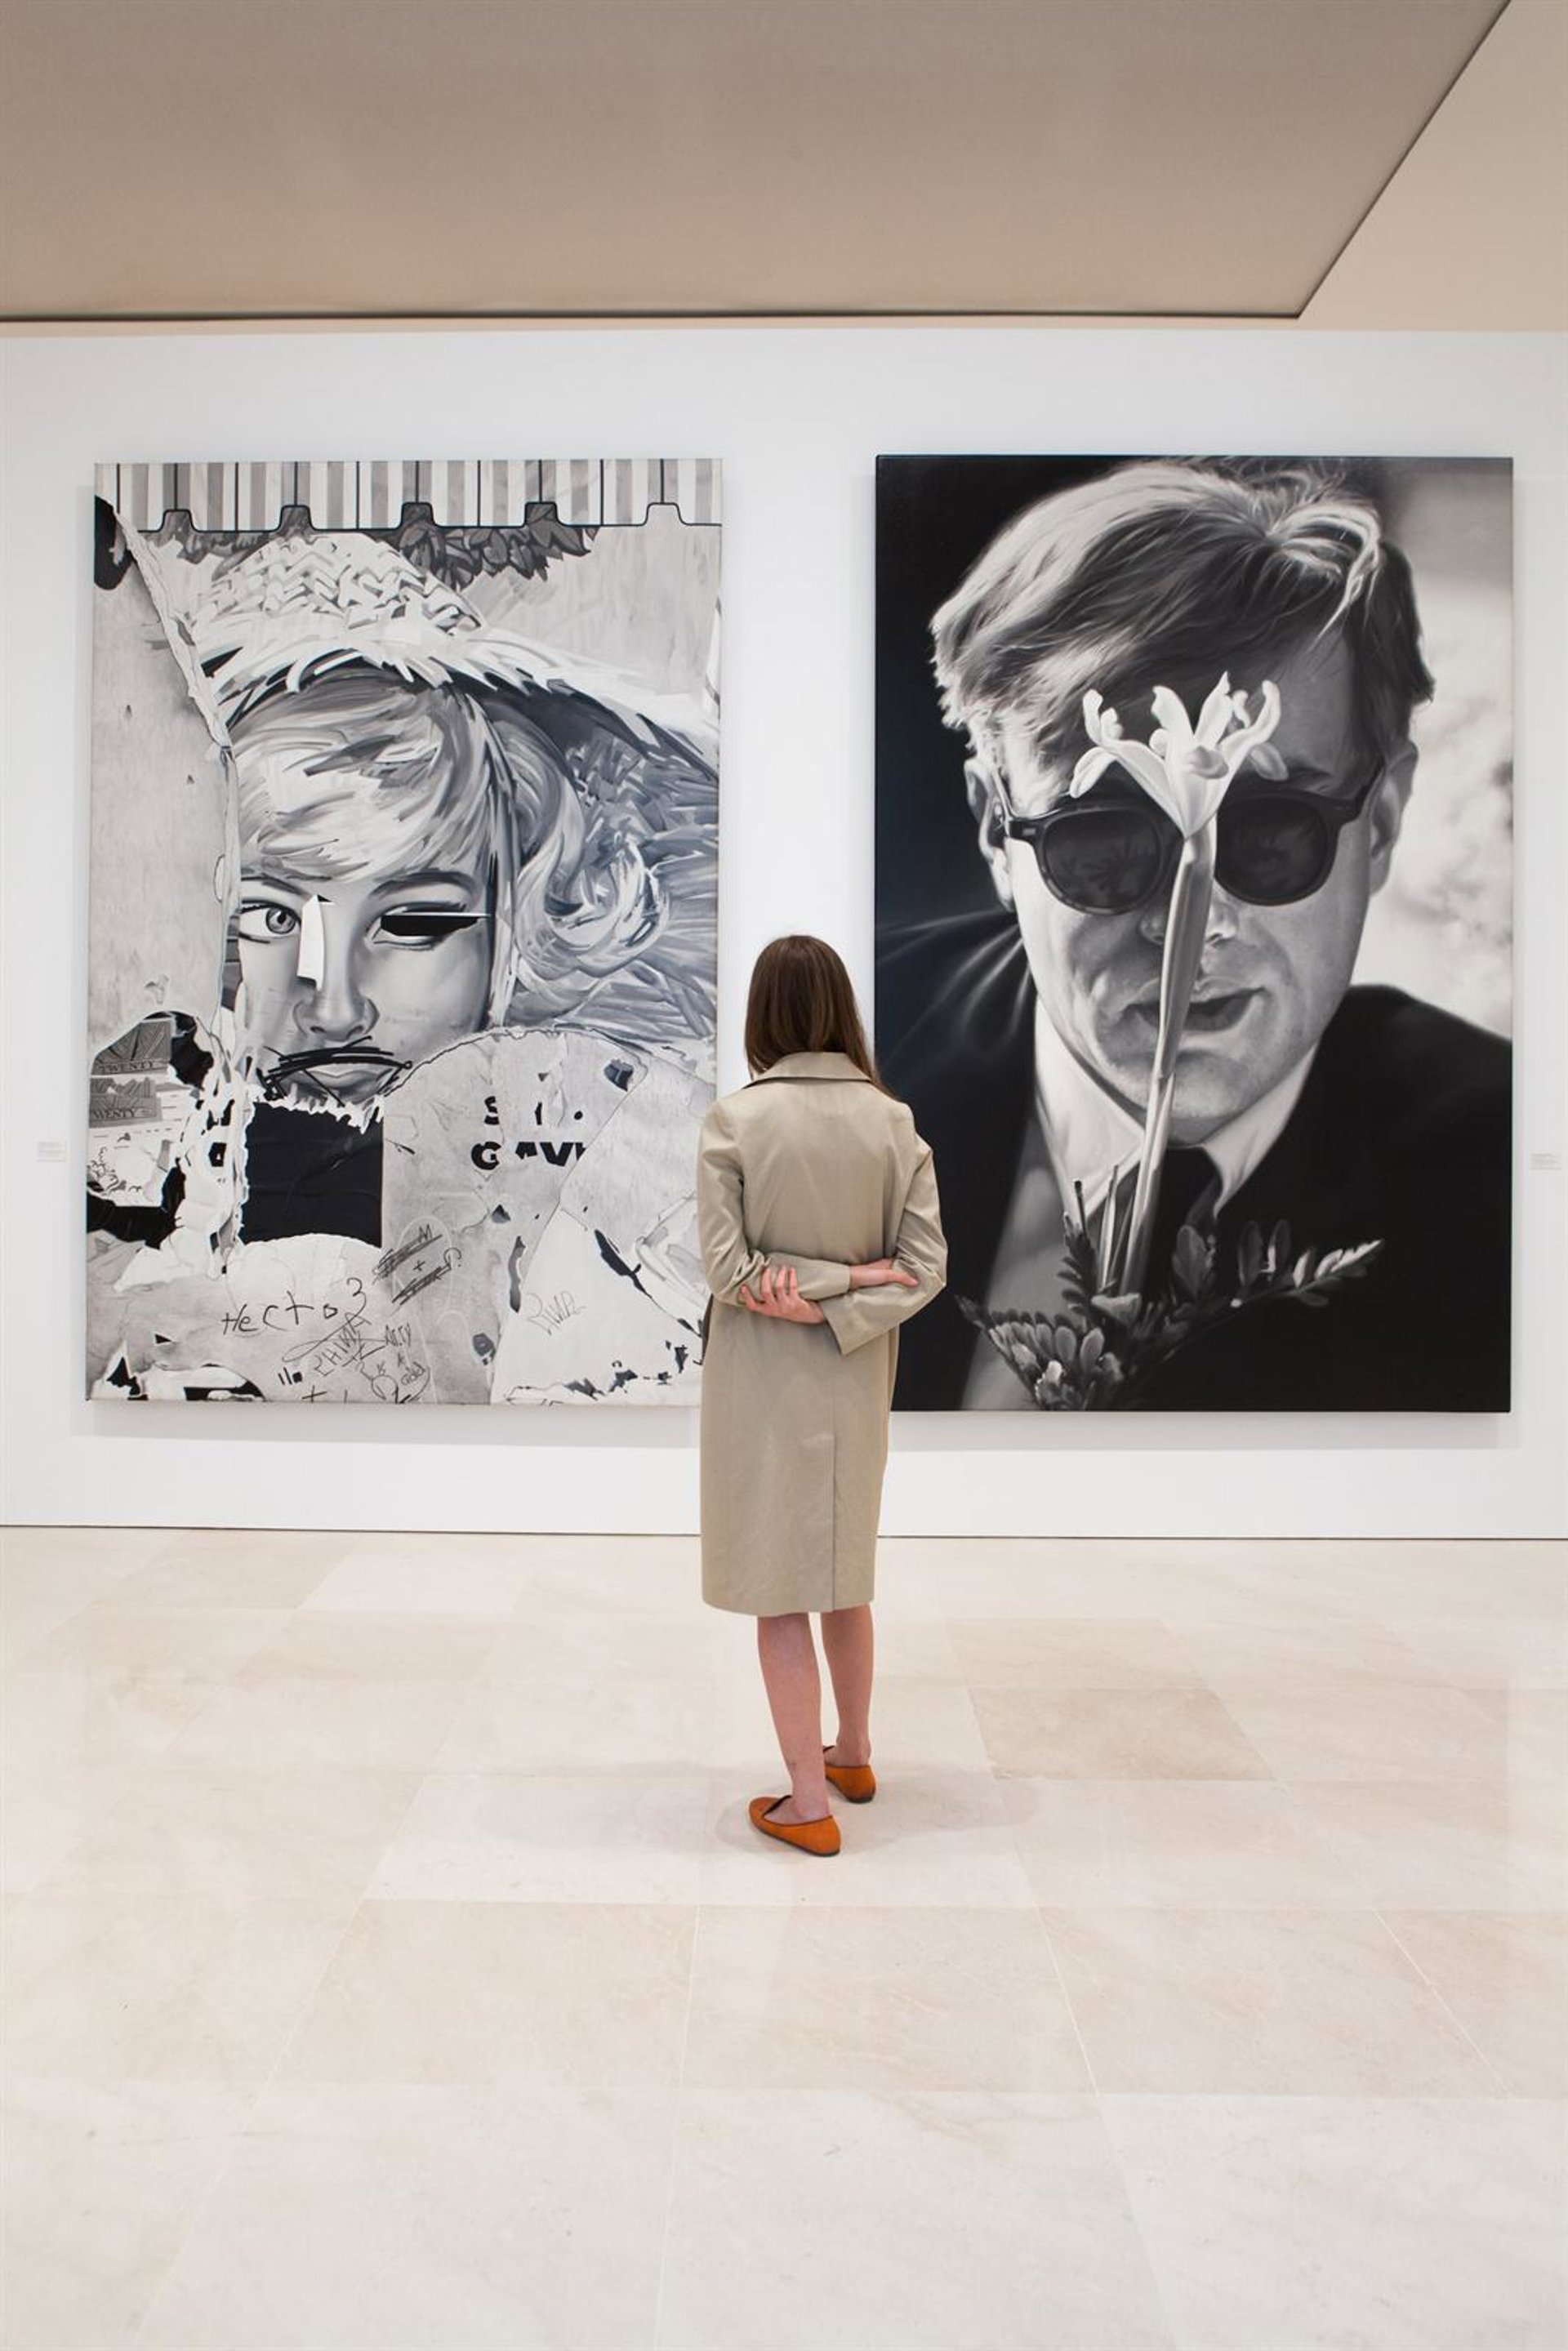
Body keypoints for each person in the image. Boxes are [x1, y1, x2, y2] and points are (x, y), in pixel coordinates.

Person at [880, 459, 1511, 1412]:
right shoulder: (844, 1058)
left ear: (1381, 823)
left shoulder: (1508, 1187)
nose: (1194, 922)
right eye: (1103, 838)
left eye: (1271, 832)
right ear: (995, 830)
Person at [697, 935, 947, 1855]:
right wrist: (852, 1281)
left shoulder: (735, 1122)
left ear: (762, 1014)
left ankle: (808, 1802)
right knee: (845, 1578)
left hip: (764, 1385)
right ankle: (854, 1753)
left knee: (782, 1592)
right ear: (842, 1008)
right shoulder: (893, 1122)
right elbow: (923, 1269)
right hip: (855, 1378)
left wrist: (803, 1287)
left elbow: (728, 1271)